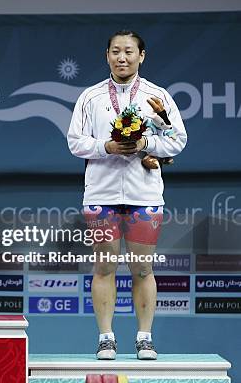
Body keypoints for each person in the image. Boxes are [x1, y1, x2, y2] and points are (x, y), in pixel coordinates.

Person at [67, 30, 187, 360]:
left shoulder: (157, 96)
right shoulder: (91, 97)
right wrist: (105, 146)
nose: (123, 57)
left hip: (144, 194)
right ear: (107, 56)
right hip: (102, 193)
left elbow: (178, 140)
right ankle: (106, 337)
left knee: (142, 269)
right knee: (104, 267)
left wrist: (146, 143)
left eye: (129, 52)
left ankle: (144, 338)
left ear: (141, 56)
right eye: (116, 51)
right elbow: (75, 142)